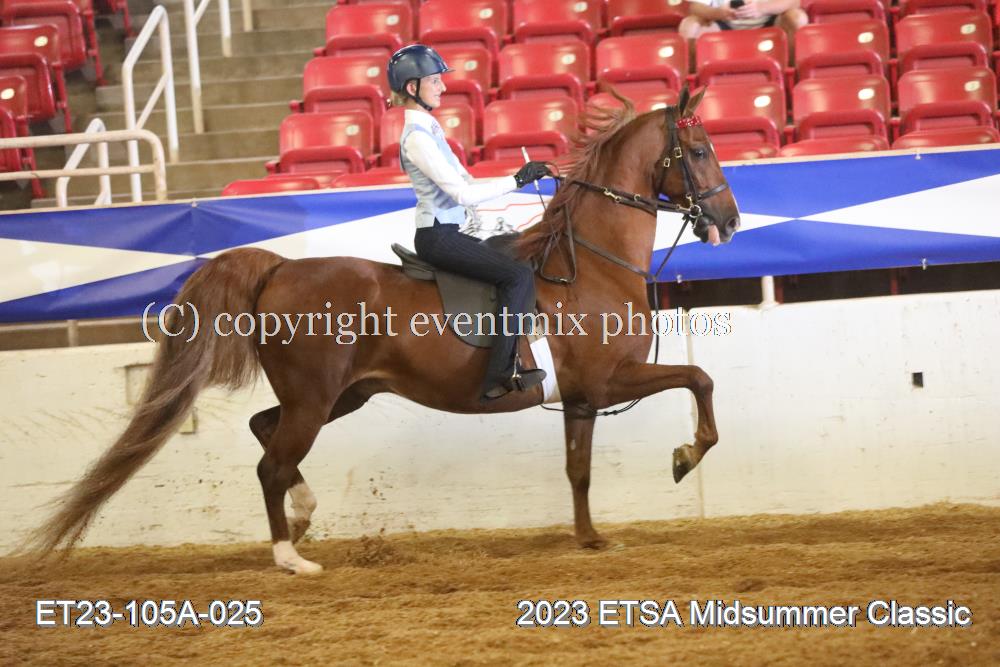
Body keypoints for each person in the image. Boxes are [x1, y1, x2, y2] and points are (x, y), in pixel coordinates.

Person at [387, 44, 552, 402]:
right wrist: (517, 180)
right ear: (413, 87)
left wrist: (516, 185)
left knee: (518, 252)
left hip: (451, 231)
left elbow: (467, 184)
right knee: (517, 276)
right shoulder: (418, 138)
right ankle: (501, 372)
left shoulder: (430, 131)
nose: (443, 87)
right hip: (438, 238)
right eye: (435, 81)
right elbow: (462, 194)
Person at [680, 0, 807, 41]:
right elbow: (694, 7)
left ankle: (791, 71)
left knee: (797, 18)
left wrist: (762, 8)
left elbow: (794, 2)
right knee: (689, 26)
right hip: (723, 23)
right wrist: (718, 13)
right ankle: (693, 80)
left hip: (771, 21)